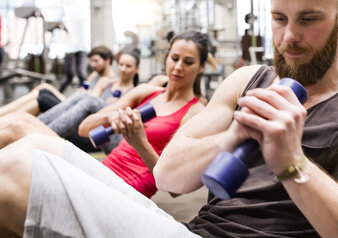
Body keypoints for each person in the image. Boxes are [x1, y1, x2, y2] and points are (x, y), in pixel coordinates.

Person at [0, 0, 338, 238]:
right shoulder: (245, 81)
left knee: (15, 172)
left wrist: (293, 165)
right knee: (28, 142)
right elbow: (168, 177)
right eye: (279, 19)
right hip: (190, 234)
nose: (289, 37)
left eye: (308, 20)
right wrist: (233, 135)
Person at [0, 31, 207, 200]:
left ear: (201, 67)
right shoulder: (146, 92)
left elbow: (175, 189)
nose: (178, 67)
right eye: (175, 58)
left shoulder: (195, 112)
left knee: (18, 133)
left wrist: (139, 142)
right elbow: (84, 129)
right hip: (101, 170)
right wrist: (112, 116)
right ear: (166, 58)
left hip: (126, 189)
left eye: (188, 62)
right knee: (21, 123)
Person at [0, 50, 141, 153]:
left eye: (128, 66)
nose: (123, 69)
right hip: (78, 118)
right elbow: (88, 98)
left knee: (44, 94)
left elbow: (92, 102)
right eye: (121, 65)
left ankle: (28, 130)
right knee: (44, 91)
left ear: (137, 69)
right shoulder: (106, 82)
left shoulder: (135, 92)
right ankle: (16, 123)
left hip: (93, 134)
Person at [0, 45, 115, 117]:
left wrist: (87, 94)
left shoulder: (111, 81)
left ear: (108, 61)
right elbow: (86, 87)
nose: (93, 65)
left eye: (96, 61)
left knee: (43, 96)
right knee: (43, 88)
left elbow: (99, 104)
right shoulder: (95, 75)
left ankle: (7, 117)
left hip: (77, 110)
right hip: (73, 103)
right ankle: (4, 114)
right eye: (91, 61)